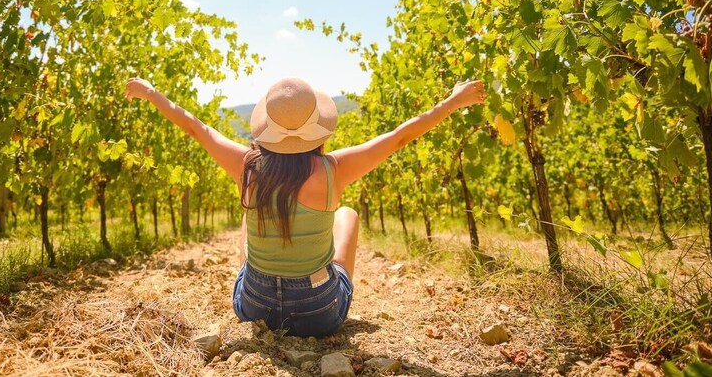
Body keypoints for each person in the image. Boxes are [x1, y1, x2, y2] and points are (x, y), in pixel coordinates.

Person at [125, 76, 485, 337]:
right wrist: (454, 100)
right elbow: (400, 136)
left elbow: (196, 128)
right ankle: (317, 278)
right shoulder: (334, 170)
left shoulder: (246, 166)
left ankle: (266, 278)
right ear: (317, 131)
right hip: (319, 314)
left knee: (247, 220)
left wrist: (151, 92)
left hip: (255, 309)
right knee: (346, 215)